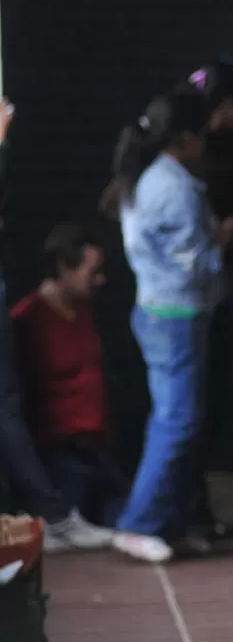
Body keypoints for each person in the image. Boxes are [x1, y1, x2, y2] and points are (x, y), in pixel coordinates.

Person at [104, 90, 233, 563]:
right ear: (186, 139)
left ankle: (170, 523)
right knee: (177, 422)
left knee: (179, 421)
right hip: (176, 316)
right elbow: (194, 267)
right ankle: (139, 523)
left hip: (158, 311)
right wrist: (223, 243)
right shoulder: (176, 188)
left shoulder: (146, 181)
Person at [0, 100, 113, 550]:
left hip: (91, 448)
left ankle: (43, 514)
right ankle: (47, 513)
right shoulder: (31, 314)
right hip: (61, 449)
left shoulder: (80, 312)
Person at [178, 57, 233, 542]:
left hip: (205, 294)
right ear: (226, 107)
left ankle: (193, 512)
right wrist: (229, 242)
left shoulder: (206, 156)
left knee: (200, 411)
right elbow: (203, 242)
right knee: (190, 413)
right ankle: (185, 515)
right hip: (190, 300)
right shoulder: (194, 163)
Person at [12, 226, 129, 536]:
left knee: (129, 526)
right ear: (65, 267)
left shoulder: (83, 310)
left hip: (99, 450)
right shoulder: (27, 319)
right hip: (61, 454)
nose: (100, 280)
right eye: (93, 272)